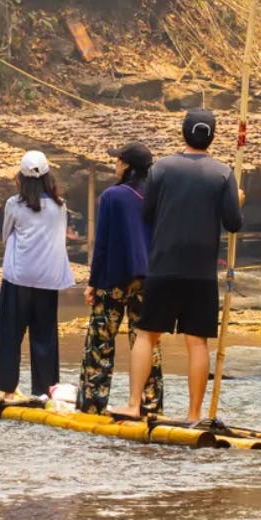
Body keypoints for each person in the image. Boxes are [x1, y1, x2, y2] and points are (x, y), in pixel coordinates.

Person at [113, 108, 242, 423]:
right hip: (201, 271)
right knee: (196, 341)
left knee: (147, 335)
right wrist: (236, 198)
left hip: (164, 266)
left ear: (183, 133)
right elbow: (233, 223)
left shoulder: (161, 169)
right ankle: (194, 413)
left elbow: (148, 214)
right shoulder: (223, 173)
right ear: (211, 137)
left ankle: (133, 404)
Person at [76, 141, 163, 415]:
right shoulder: (158, 195)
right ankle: (150, 404)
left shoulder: (112, 196)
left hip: (113, 277)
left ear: (126, 166)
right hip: (149, 278)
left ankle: (93, 402)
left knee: (100, 341)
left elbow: (101, 245)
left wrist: (93, 282)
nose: (115, 165)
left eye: (118, 160)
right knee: (146, 340)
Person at [0, 151, 75, 397]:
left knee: (10, 334)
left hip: (19, 276)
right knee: (44, 336)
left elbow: (6, 235)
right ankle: (44, 390)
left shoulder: (14, 204)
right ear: (48, 176)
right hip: (48, 278)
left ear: (21, 178)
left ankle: (6, 388)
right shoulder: (60, 206)